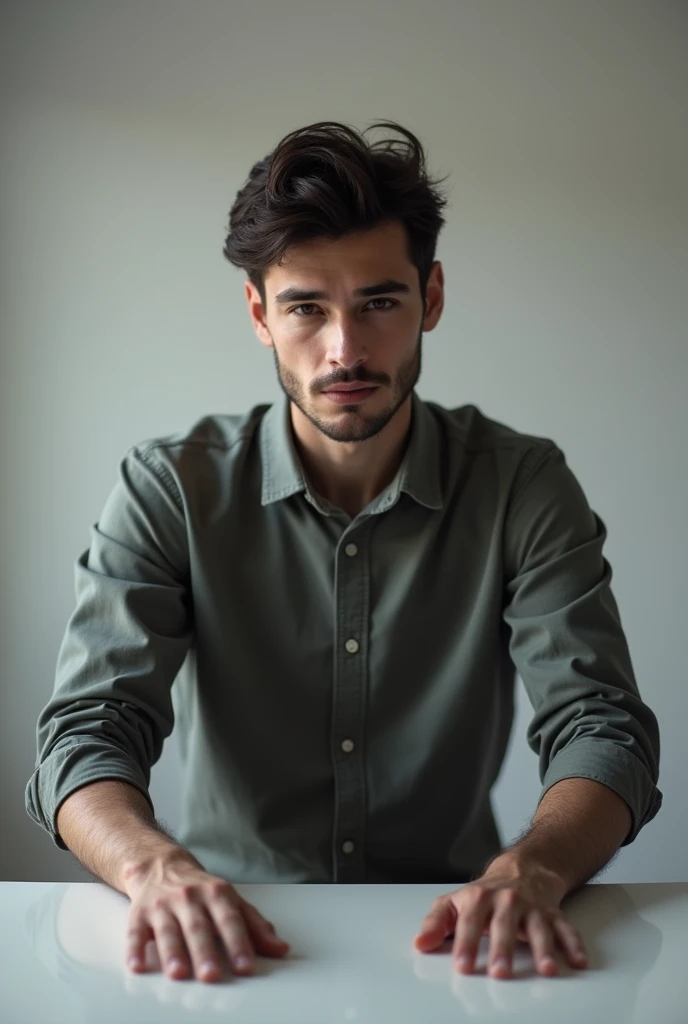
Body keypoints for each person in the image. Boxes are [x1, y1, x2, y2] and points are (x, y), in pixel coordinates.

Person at [26, 120, 662, 986]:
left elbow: (602, 726)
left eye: (379, 303)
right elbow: (86, 730)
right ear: (259, 313)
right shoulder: (169, 487)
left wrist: (532, 870)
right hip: (227, 944)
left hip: (457, 947)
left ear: (431, 298)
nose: (345, 351)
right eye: (305, 308)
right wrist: (153, 870)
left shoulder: (523, 484)